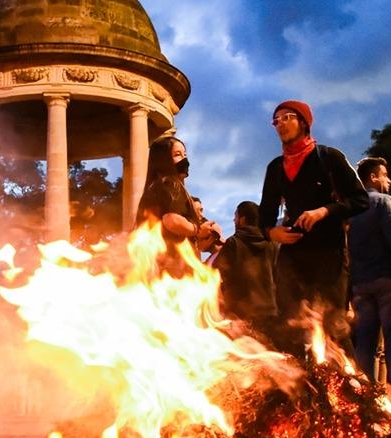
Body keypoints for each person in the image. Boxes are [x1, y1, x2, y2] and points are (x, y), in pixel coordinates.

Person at [259, 100, 369, 354]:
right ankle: (298, 390)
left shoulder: (329, 157)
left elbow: (360, 200)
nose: (280, 124)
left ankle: (352, 389)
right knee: (289, 327)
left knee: (332, 327)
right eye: (276, 120)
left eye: (287, 117)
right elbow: (265, 214)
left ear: (304, 122)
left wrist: (324, 211)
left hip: (328, 254)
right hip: (292, 257)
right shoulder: (275, 168)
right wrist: (272, 233)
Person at [345, 157, 391, 397]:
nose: (389, 180)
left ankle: (368, 400)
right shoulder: (385, 202)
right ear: (373, 177)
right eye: (385, 174)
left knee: (366, 343)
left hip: (361, 283)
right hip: (388, 279)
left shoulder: (350, 209)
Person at [136, 136, 222, 266]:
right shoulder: (170, 183)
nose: (185, 160)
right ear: (163, 159)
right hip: (171, 266)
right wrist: (198, 230)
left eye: (185, 155)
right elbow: (172, 220)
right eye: (178, 155)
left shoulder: (156, 186)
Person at [213, 201, 281, 348]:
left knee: (244, 365)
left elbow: (214, 274)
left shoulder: (234, 243)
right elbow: (279, 278)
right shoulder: (272, 245)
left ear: (243, 219)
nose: (233, 220)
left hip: (240, 315)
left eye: (235, 216)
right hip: (269, 313)